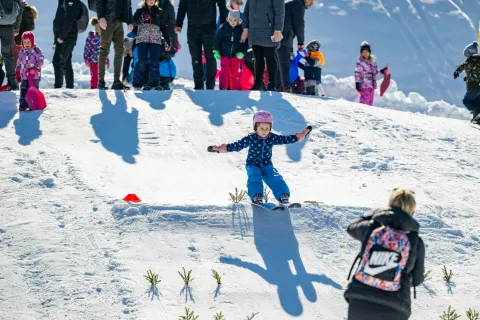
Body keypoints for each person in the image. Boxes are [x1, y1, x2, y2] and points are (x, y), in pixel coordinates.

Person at [344, 188, 425, 320]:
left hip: (360, 302)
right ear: (412, 213)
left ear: (388, 206)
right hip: (396, 308)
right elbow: (417, 280)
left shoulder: (372, 228)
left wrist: (375, 213)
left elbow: (351, 227)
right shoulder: (415, 242)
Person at [210, 110, 311, 204]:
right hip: (252, 165)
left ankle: (282, 195)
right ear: (255, 128)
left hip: (267, 165)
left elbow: (284, 139)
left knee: (275, 177)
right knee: (255, 178)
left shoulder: (272, 137)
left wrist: (298, 137)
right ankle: (256, 196)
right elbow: (237, 146)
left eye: (267, 129)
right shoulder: (250, 138)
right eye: (262, 128)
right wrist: (222, 149)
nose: (264, 131)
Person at [175, 0, 227, 90]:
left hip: (209, 27)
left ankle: (210, 84)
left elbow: (222, 3)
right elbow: (182, 7)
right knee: (195, 57)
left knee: (210, 56)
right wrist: (178, 24)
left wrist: (223, 21)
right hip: (192, 27)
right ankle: (198, 85)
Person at [241, 0, 284, 91]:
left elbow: (280, 12)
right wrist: (245, 28)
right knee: (258, 58)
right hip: (254, 32)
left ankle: (272, 84)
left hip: (269, 31)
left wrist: (278, 29)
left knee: (270, 57)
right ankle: (258, 84)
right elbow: (246, 13)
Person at [131, 0, 175, 90]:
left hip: (155, 40)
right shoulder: (139, 11)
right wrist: (141, 19)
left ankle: (154, 84)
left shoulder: (159, 11)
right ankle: (138, 84)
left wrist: (168, 41)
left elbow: (163, 27)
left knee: (154, 62)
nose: (151, 1)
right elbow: (134, 24)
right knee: (141, 61)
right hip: (142, 39)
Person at [276, 0, 313, 92]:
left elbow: (287, 23)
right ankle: (287, 89)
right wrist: (300, 42)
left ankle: (276, 88)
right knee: (285, 65)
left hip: (275, 37)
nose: (310, 3)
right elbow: (299, 25)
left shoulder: (289, 4)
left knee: (277, 64)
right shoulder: (299, 5)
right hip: (284, 38)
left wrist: (291, 49)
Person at [96, 0, 133, 90]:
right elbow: (99, 1)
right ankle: (101, 81)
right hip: (107, 19)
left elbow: (128, 4)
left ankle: (116, 81)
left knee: (120, 50)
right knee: (104, 49)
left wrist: (130, 21)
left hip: (119, 20)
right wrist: (101, 17)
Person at [214, 11, 247, 90]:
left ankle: (234, 88)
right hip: (224, 54)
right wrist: (216, 50)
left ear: (238, 20)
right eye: (231, 20)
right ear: (228, 19)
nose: (232, 22)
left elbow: (244, 43)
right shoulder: (224, 28)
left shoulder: (241, 29)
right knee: (224, 71)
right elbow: (217, 39)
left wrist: (242, 52)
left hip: (235, 55)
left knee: (234, 72)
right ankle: (223, 87)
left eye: (235, 20)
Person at [53, 0, 82, 89]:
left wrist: (62, 37)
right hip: (63, 38)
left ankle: (58, 87)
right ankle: (69, 86)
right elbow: (61, 18)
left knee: (58, 61)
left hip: (67, 38)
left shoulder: (71, 1)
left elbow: (69, 19)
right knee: (66, 62)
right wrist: (56, 41)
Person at [15, 31, 43, 111]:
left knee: (33, 90)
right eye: (24, 42)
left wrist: (34, 68)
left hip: (34, 76)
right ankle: (23, 105)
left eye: (28, 42)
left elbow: (41, 61)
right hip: (24, 76)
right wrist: (17, 72)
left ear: (32, 41)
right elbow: (19, 63)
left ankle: (33, 104)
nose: (26, 44)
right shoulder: (22, 52)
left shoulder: (36, 51)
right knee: (23, 90)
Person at [354, 41, 388, 106]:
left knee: (370, 100)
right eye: (363, 52)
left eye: (366, 52)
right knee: (364, 99)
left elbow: (375, 72)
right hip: (364, 85)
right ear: (361, 53)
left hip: (372, 86)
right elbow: (357, 73)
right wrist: (357, 84)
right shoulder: (360, 62)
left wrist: (382, 71)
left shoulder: (372, 62)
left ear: (369, 52)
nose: (365, 53)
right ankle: (361, 111)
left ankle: (368, 114)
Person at [454, 41, 480, 124]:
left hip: (473, 86)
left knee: (467, 101)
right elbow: (475, 72)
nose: (465, 57)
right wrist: (468, 77)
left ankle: (476, 113)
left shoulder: (470, 61)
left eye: (465, 55)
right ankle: (478, 119)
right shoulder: (478, 61)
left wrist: (457, 71)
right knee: (477, 102)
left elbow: (463, 66)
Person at [0, 0, 23, 90]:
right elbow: (20, 9)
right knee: (8, 56)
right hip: (9, 28)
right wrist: (16, 27)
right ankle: (13, 84)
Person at [84, 18, 110, 89]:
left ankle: (100, 87)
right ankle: (94, 88)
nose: (97, 28)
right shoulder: (91, 37)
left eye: (99, 26)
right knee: (94, 75)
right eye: (96, 26)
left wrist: (107, 61)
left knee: (101, 75)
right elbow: (87, 49)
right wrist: (86, 60)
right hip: (93, 60)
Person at [12, 0, 37, 67]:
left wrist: (22, 37)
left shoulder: (25, 10)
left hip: (20, 40)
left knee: (18, 59)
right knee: (15, 58)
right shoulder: (20, 9)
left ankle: (19, 75)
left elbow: (31, 26)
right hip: (16, 38)